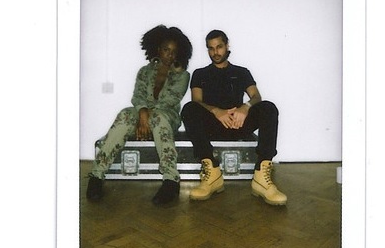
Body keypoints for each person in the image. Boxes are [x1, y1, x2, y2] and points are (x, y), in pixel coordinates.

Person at [86, 25, 192, 206]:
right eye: (166, 50)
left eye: (174, 52)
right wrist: (142, 113)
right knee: (125, 115)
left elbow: (169, 101)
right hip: (143, 113)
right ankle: (97, 175)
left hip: (167, 117)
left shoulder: (183, 75)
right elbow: (138, 96)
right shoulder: (145, 71)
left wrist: (145, 116)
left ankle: (171, 180)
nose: (170, 55)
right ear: (158, 49)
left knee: (157, 118)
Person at [181, 30, 287, 206]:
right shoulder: (200, 73)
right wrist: (216, 111)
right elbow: (197, 100)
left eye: (219, 47)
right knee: (189, 109)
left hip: (239, 124)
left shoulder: (242, 72)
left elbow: (256, 96)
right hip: (213, 125)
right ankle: (212, 174)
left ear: (227, 45)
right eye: (211, 48)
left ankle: (261, 176)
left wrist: (245, 108)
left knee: (268, 107)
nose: (215, 52)